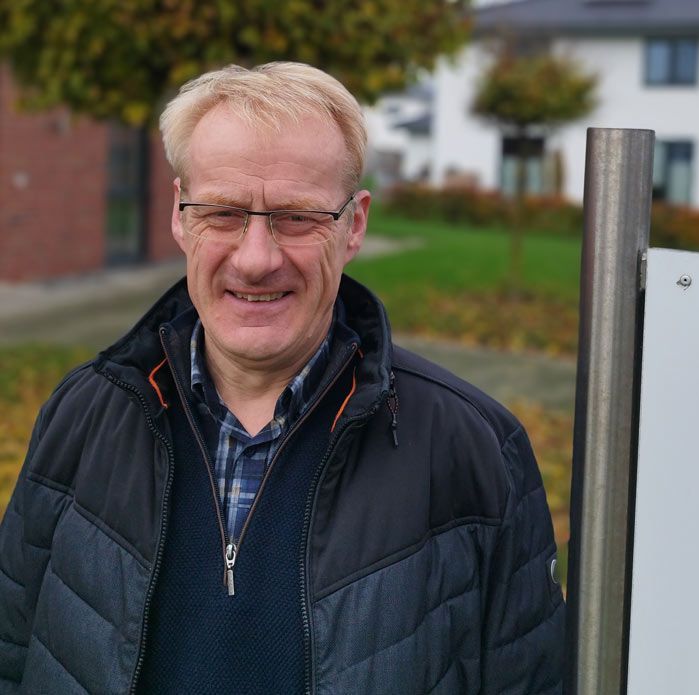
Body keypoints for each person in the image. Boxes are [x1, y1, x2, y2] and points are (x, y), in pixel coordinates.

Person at [0, 62, 564, 694]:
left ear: (354, 224)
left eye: (297, 217)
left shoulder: (477, 449)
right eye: (222, 212)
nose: (256, 258)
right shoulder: (81, 415)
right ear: (181, 217)